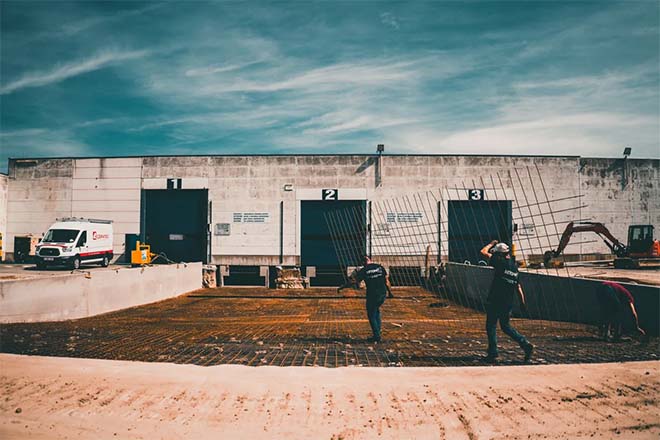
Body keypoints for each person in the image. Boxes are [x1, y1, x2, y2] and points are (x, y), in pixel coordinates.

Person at [480, 240, 534, 364]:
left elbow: (483, 252)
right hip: (507, 303)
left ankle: (493, 353)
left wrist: (491, 243)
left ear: (499, 254)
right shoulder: (514, 269)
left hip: (495, 300)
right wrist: (522, 303)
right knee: (506, 326)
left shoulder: (499, 261)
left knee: (491, 325)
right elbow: (518, 287)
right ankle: (524, 343)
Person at [338, 256, 394, 342]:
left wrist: (342, 287)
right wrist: (390, 293)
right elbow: (387, 281)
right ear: (370, 260)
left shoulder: (364, 271)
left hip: (372, 295)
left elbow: (353, 282)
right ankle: (378, 331)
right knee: (376, 311)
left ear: (363, 263)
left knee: (371, 314)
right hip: (382, 293)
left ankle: (376, 336)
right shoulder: (380, 267)